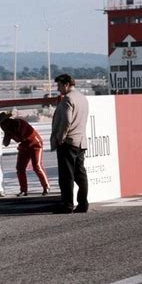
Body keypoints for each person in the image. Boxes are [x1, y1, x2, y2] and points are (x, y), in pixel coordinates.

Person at [50, 74, 89, 214]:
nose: (58, 88)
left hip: (68, 142)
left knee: (66, 176)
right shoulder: (82, 98)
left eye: (59, 85)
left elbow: (67, 120)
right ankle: (83, 204)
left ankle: (67, 205)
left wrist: (60, 137)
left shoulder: (68, 99)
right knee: (80, 174)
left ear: (66, 84)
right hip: (80, 141)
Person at [0, 111, 50, 197]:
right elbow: (6, 144)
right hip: (24, 146)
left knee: (37, 166)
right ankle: (23, 190)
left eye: (3, 123)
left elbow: (21, 135)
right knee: (20, 168)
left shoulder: (19, 123)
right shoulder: (6, 129)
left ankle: (46, 187)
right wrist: (7, 134)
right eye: (0, 124)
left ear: (8, 120)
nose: (2, 126)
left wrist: (10, 132)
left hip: (35, 144)